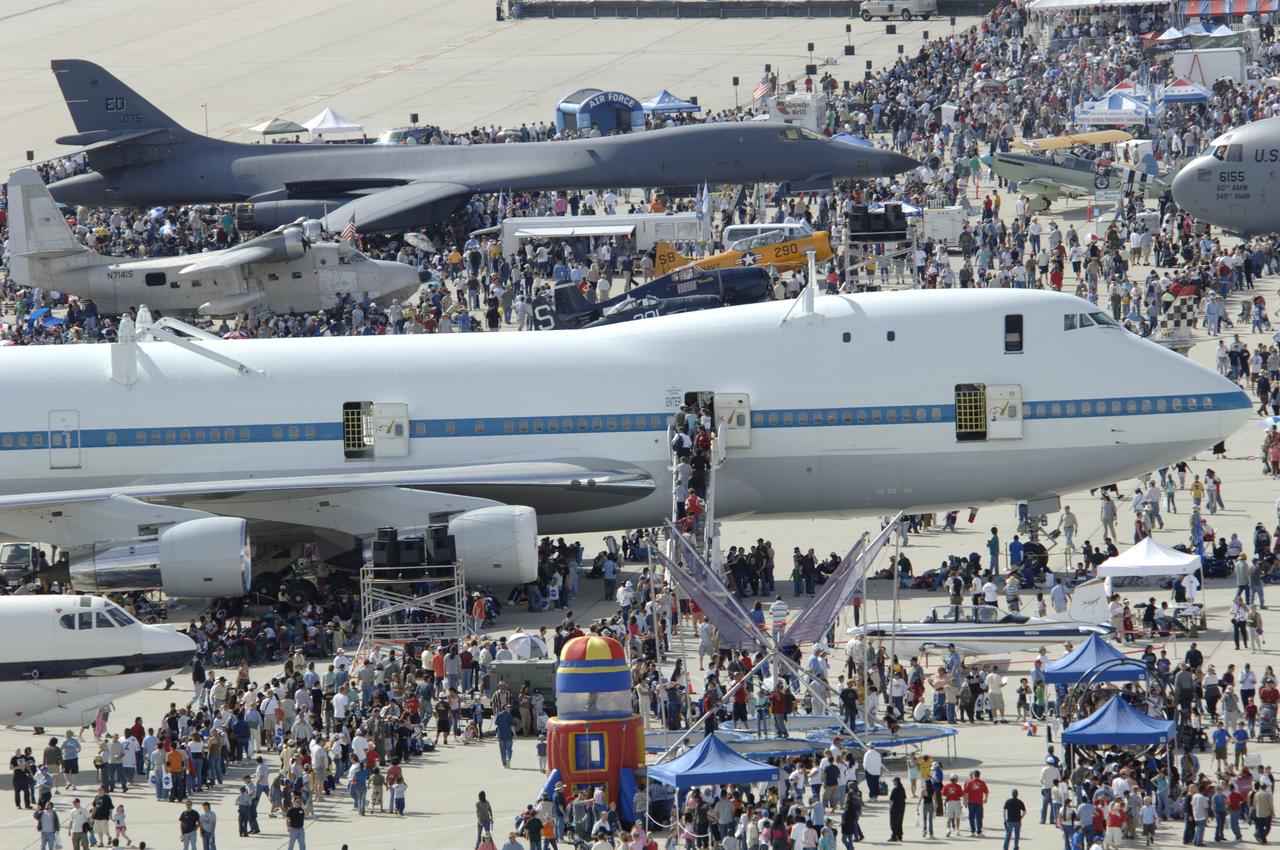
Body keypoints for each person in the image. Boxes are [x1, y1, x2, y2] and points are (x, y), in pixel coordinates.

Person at [965, 769, 989, 836]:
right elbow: (986, 792)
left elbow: (966, 793)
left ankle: (972, 831)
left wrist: (966, 802)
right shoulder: (982, 783)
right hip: (979, 802)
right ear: (979, 775)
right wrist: (986, 799)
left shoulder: (969, 782)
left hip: (971, 802)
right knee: (979, 817)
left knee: (971, 817)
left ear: (973, 775)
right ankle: (979, 832)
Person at [888, 777, 907, 842]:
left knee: (893, 823)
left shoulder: (895, 789)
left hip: (895, 808)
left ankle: (894, 836)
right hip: (902, 808)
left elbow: (891, 801)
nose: (893, 782)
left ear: (896, 781)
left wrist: (890, 808)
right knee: (899, 822)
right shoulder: (902, 788)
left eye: (893, 781)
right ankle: (899, 835)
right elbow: (904, 798)